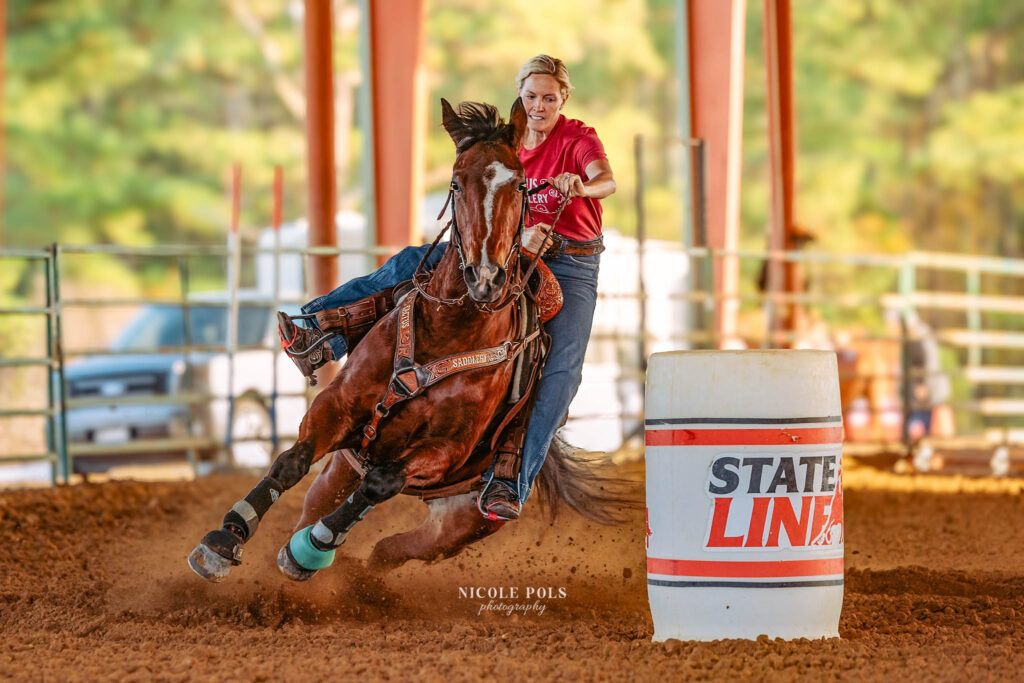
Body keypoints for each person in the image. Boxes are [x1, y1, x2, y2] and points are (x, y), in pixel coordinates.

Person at [279, 55, 616, 521]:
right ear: (520, 97)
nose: (540, 106)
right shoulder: (505, 145)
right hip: (509, 249)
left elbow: (607, 180)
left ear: (563, 100)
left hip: (572, 262)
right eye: (532, 96)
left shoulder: (578, 138)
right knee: (410, 262)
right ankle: (320, 330)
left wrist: (580, 186)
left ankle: (512, 481)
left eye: (549, 98)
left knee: (564, 371)